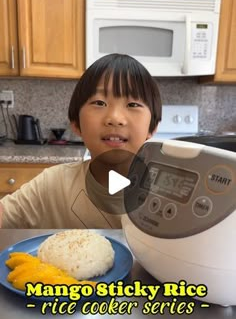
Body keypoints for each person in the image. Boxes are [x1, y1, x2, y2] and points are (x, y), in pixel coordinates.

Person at [0, 53, 162, 229]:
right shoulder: (53, 185)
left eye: (132, 105)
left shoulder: (168, 195)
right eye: (99, 103)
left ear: (152, 127)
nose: (115, 118)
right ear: (76, 124)